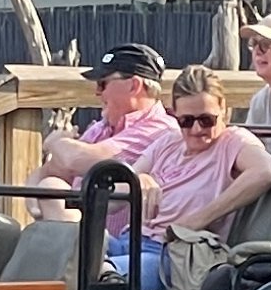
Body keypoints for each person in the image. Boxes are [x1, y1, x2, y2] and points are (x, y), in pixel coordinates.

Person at [113, 67, 271, 290]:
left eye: (207, 120)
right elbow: (114, 199)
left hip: (170, 255)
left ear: (224, 110)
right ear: (175, 116)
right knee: (62, 245)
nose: (197, 129)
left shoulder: (232, 142)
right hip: (129, 239)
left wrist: (197, 220)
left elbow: (265, 171)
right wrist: (138, 179)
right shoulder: (168, 142)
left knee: (95, 277)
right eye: (187, 121)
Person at [40, 43, 176, 185]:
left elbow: (76, 159)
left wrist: (55, 143)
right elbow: (38, 182)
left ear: (134, 86)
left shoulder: (159, 130)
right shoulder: (103, 126)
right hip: (78, 205)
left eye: (102, 83)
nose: (97, 92)